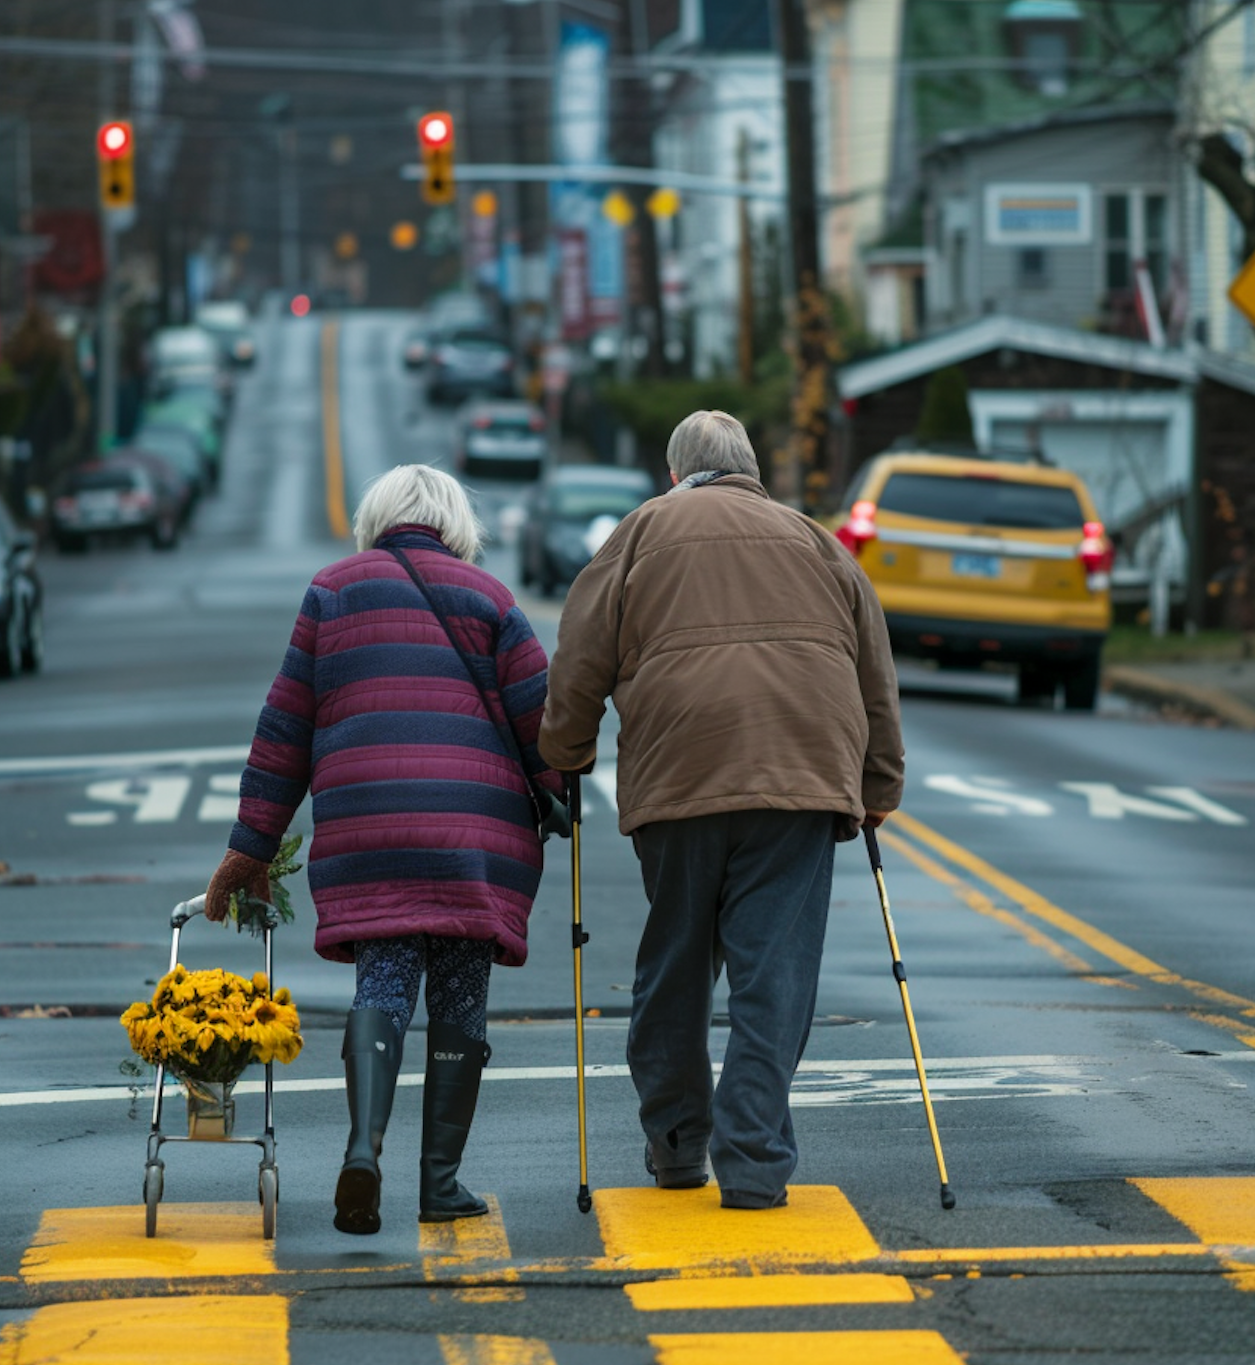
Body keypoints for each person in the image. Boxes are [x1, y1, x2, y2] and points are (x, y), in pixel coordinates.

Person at [539, 411, 904, 1209]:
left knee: (675, 963)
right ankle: (755, 1162)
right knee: (773, 975)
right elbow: (873, 668)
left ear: (677, 473)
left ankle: (675, 1146)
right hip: (803, 778)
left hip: (679, 776)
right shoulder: (816, 542)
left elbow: (580, 654)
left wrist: (565, 753)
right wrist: (878, 788)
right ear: (750, 470)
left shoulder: (639, 534)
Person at [205, 464, 563, 1236]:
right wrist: (557, 789)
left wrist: (251, 847)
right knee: (460, 998)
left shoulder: (331, 591)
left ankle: (364, 1149)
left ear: (378, 516)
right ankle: (441, 1183)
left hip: (371, 834)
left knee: (385, 984)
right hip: (476, 839)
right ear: (454, 522)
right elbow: (545, 723)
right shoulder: (494, 598)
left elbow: (284, 731)